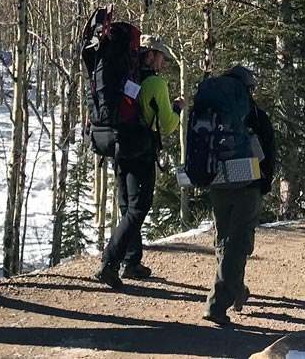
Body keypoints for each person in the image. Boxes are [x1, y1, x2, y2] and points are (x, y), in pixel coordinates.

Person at [94, 34, 182, 288]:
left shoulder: (125, 78)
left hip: (118, 147)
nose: (163, 64)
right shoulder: (156, 84)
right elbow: (167, 125)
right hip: (141, 150)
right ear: (151, 55)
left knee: (126, 205)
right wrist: (177, 108)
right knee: (138, 207)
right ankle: (109, 262)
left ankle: (131, 261)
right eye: (162, 57)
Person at [203, 65, 277, 327]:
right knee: (239, 243)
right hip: (248, 185)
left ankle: (236, 291)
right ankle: (217, 303)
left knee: (225, 240)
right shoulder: (255, 115)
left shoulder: (211, 111)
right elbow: (269, 153)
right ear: (247, 88)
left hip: (217, 184)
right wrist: (264, 184)